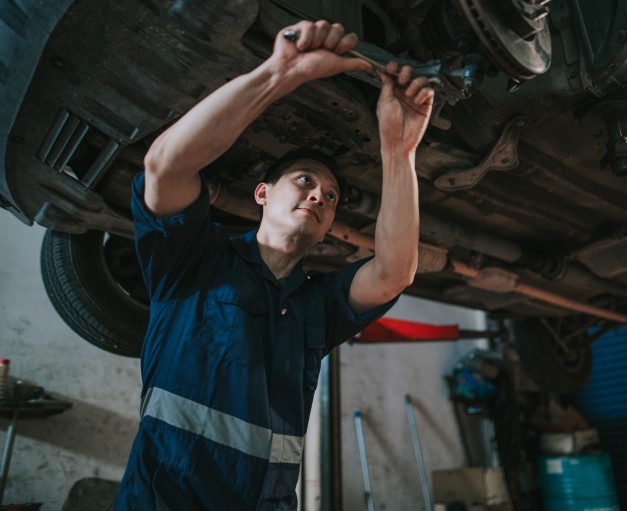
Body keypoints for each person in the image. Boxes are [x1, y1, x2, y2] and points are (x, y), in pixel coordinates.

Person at [114, 19, 435, 510]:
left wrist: (399, 150)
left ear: (329, 228)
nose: (318, 196)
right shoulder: (195, 263)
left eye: (329, 197)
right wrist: (280, 73)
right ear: (262, 193)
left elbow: (393, 272)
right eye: (304, 181)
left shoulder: (318, 307)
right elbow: (165, 166)